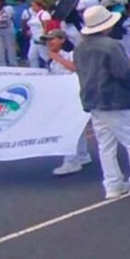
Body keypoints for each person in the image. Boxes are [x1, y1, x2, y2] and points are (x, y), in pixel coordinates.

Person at [74, 5, 130, 199]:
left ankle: (113, 184)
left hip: (94, 100)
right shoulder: (111, 45)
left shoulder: (80, 48)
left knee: (105, 144)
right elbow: (123, 73)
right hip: (117, 99)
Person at [42, 29, 94, 176]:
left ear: (62, 40)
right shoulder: (49, 59)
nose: (49, 43)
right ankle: (82, 154)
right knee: (76, 127)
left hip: (74, 95)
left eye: (52, 39)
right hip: (61, 97)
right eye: (47, 40)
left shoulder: (72, 53)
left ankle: (71, 161)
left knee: (69, 128)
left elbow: (75, 68)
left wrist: (57, 57)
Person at [22, 0, 52, 67]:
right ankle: (34, 69)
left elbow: (46, 26)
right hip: (34, 38)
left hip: (40, 37)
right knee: (31, 56)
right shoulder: (34, 15)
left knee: (45, 55)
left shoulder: (44, 14)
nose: (32, 7)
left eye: (34, 6)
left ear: (39, 6)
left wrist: (44, 36)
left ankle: (51, 67)